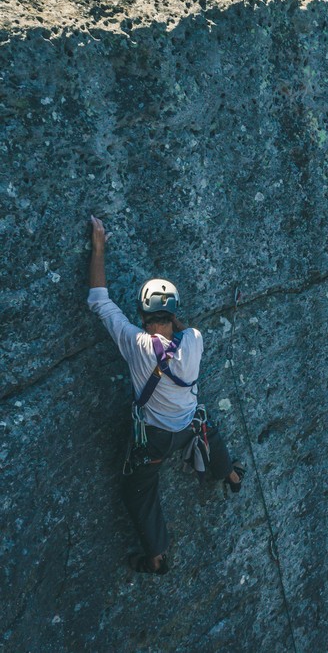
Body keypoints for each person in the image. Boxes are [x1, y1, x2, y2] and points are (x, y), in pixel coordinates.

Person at [87, 215, 244, 575]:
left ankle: (156, 556)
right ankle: (231, 475)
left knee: (137, 489)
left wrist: (98, 248)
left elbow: (98, 300)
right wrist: (177, 323)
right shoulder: (194, 340)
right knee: (207, 429)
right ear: (173, 316)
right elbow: (186, 330)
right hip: (188, 426)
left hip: (155, 441)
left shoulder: (134, 342)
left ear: (142, 314)